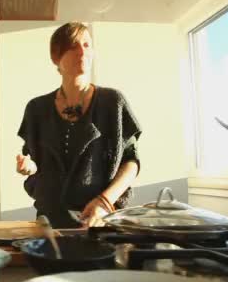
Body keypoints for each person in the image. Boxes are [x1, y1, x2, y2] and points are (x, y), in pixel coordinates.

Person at [16, 22, 141, 228]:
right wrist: (28, 167)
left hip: (99, 219)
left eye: (86, 45)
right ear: (56, 57)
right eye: (73, 46)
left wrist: (104, 201)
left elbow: (131, 162)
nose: (82, 51)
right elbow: (33, 161)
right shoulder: (36, 108)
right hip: (49, 220)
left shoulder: (113, 102)